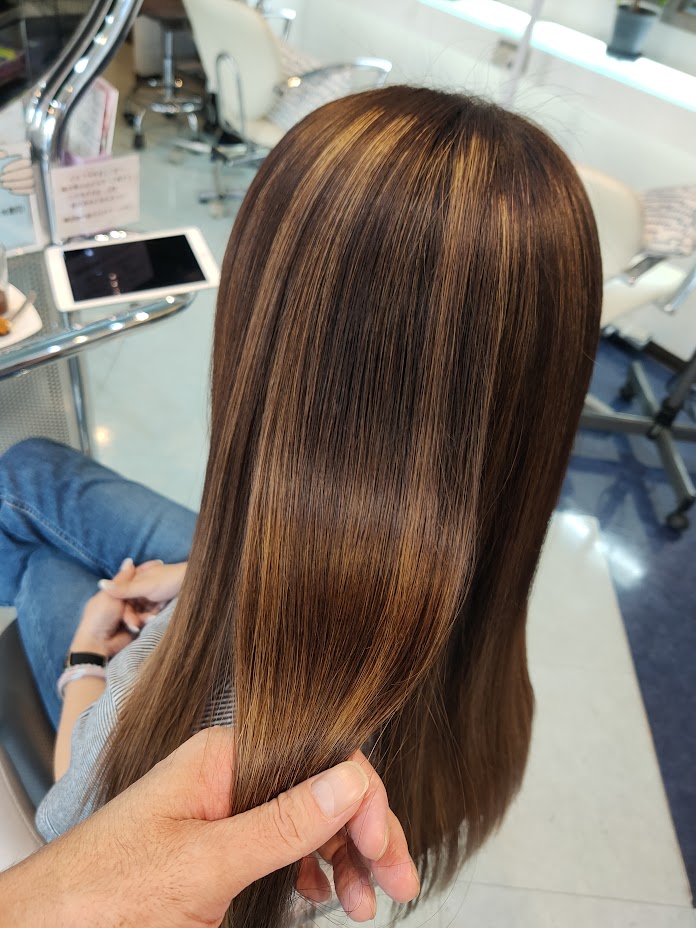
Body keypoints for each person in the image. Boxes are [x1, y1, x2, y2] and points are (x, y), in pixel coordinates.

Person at [0, 85, 602, 928]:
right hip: (241, 581)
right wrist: (199, 576)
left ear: (269, 349)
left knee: (36, 545)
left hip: (180, 653)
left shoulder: (167, 721)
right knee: (29, 476)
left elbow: (80, 831)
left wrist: (88, 659)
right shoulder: (493, 679)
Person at [1, 726, 419, 926]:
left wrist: (85, 658)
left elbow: (56, 815)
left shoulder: (133, 685)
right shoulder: (405, 759)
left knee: (40, 580)